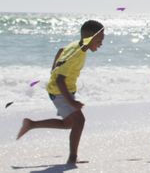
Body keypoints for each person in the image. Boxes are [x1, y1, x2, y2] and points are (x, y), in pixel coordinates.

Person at [16, 20, 105, 164]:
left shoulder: (78, 46)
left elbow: (61, 50)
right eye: (99, 40)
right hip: (59, 91)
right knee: (79, 121)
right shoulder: (76, 54)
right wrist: (71, 102)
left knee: (69, 124)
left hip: (61, 90)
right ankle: (72, 158)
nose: (101, 44)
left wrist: (53, 68)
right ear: (89, 36)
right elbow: (59, 80)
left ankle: (31, 124)